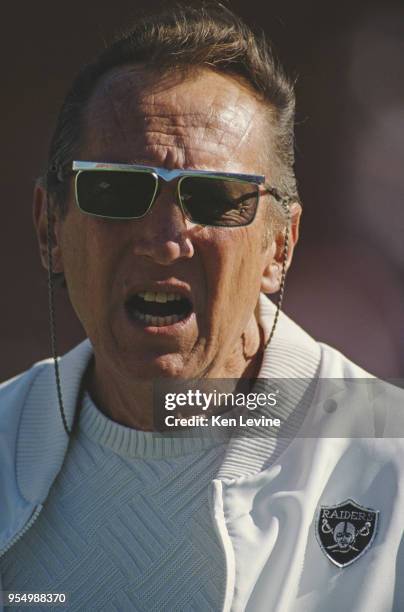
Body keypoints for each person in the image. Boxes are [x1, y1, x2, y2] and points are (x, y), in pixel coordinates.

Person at [0, 4, 403, 611]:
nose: (164, 239)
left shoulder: (391, 463)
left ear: (280, 248)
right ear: (50, 228)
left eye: (216, 198)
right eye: (116, 189)